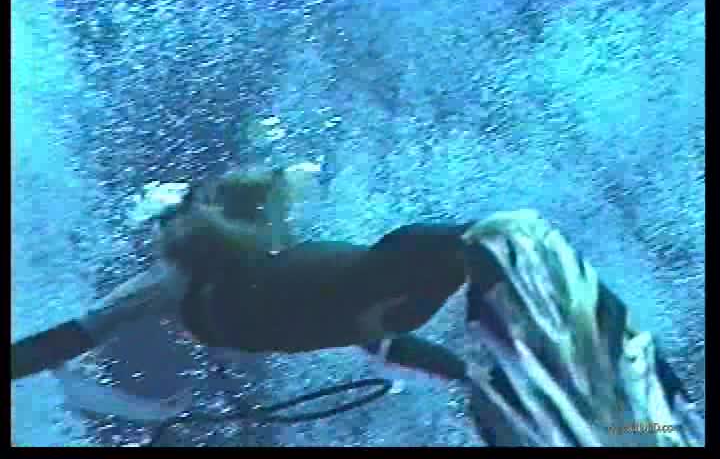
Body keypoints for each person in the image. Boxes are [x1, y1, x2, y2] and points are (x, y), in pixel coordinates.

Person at [12, 164, 476, 420]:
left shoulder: (270, 257)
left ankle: (472, 255)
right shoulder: (181, 276)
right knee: (400, 260)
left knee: (398, 275)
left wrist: (463, 373)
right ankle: (471, 244)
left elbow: (368, 332)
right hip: (300, 313)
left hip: (337, 313)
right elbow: (75, 334)